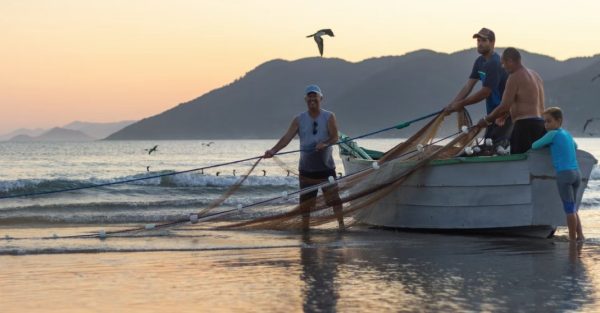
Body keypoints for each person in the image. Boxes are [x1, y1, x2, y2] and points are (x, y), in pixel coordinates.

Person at [263, 85, 344, 230]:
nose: (312, 99)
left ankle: (341, 225)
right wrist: (273, 150)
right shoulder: (299, 119)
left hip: (326, 168)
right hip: (307, 169)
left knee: (334, 200)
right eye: (309, 96)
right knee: (306, 203)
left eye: (315, 96)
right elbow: (287, 137)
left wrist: (324, 144)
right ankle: (305, 230)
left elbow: (335, 137)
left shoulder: (329, 116)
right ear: (306, 99)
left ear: (321, 98)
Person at [446, 28, 511, 145]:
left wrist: (461, 104)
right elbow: (468, 86)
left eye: (483, 41)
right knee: (488, 146)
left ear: (492, 43)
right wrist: (451, 105)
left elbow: (485, 92)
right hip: (492, 115)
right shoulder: (479, 62)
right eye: (478, 41)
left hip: (504, 114)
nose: (479, 44)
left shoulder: (495, 63)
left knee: (498, 147)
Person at [477, 47, 546, 154]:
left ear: (510, 61)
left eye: (503, 63)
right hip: (541, 125)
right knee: (536, 161)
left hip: (524, 126)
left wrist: (486, 120)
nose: (503, 67)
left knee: (519, 163)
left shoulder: (514, 76)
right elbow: (528, 102)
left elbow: (504, 105)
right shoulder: (536, 76)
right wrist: (506, 114)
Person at [531, 107, 583, 242]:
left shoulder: (552, 134)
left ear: (558, 121)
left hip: (564, 174)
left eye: (549, 121)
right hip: (577, 174)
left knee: (569, 208)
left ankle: (572, 239)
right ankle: (580, 236)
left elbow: (535, 145)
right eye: (544, 122)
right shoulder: (567, 134)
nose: (546, 125)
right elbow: (575, 146)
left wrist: (549, 144)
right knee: (573, 207)